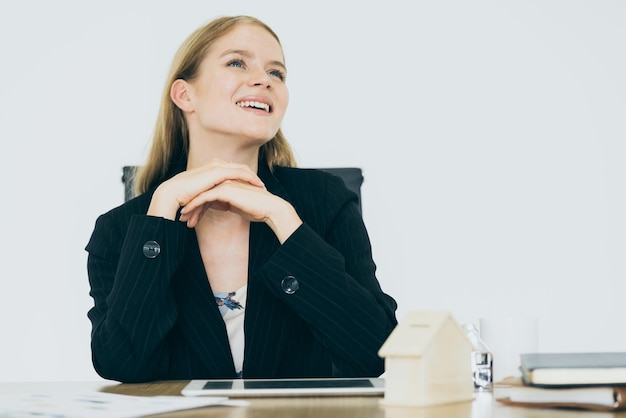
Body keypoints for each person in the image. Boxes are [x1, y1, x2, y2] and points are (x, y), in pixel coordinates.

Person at [85, 15, 397, 383]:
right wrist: (161, 212)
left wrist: (284, 221)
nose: (264, 80)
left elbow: (376, 352)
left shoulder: (325, 202)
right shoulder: (120, 230)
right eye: (237, 62)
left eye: (276, 73)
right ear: (185, 95)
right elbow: (120, 364)